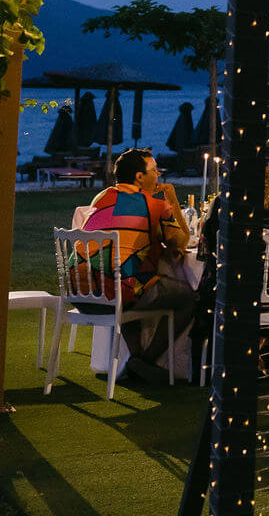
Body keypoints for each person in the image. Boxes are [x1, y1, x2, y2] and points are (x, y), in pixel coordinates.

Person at [82, 148, 193, 380]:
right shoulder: (154, 204)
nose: (159, 176)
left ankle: (137, 360)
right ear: (139, 177)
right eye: (154, 171)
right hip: (118, 294)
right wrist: (171, 199)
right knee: (188, 298)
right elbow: (181, 242)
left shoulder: (101, 198)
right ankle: (144, 360)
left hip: (85, 295)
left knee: (132, 278)